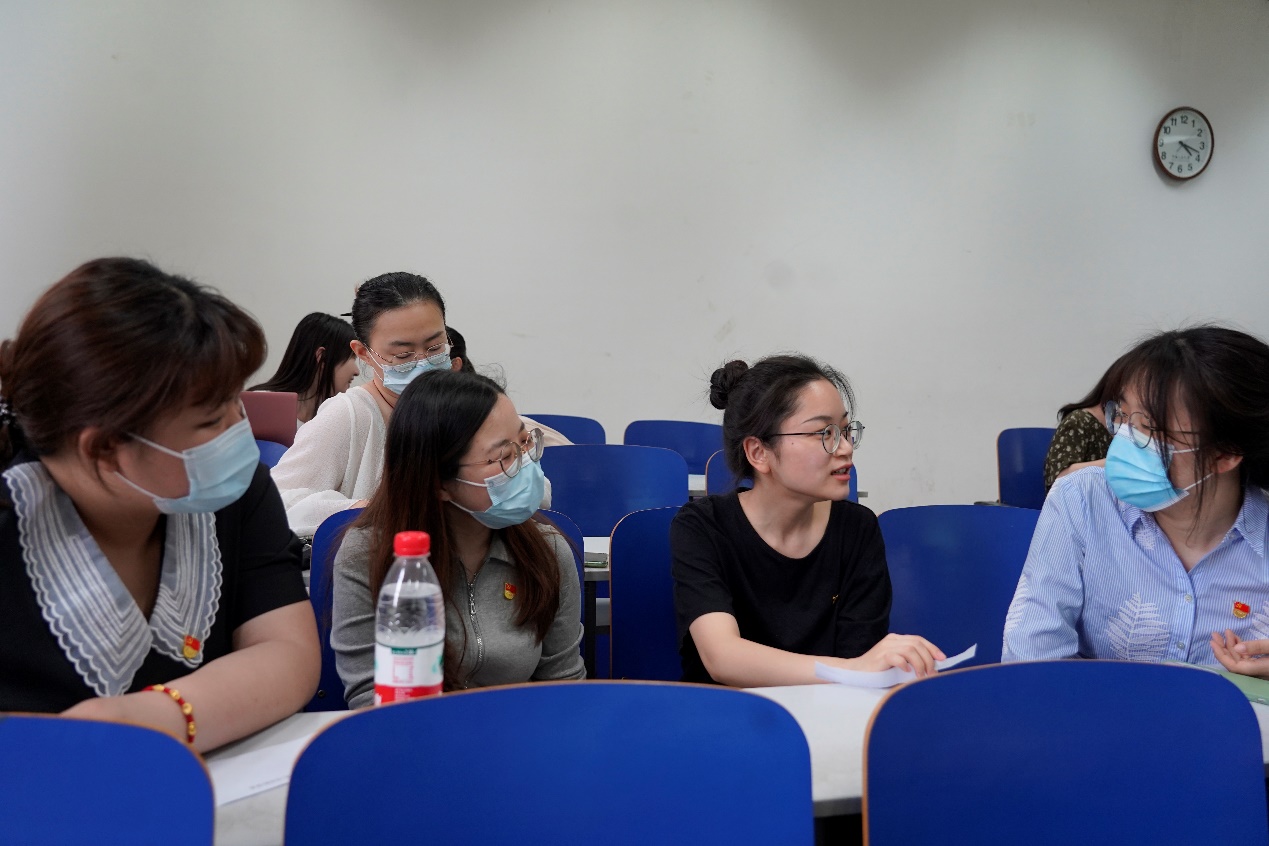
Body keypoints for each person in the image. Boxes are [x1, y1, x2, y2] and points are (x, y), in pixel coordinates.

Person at [0, 258, 320, 751]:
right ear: (105, 448)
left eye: (236, 402)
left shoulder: (235, 493)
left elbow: (287, 652)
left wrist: (154, 718)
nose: (239, 431)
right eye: (211, 421)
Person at [1002, 326, 1269, 679]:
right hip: (1095, 709)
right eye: (1123, 416)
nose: (1126, 439)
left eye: (1150, 427)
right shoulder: (1082, 499)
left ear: (1225, 454)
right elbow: (1031, 658)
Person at [671, 354, 944, 687]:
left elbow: (859, 661)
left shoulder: (857, 528)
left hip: (829, 711)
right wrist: (852, 670)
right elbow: (723, 657)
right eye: (824, 433)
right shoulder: (703, 526)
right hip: (729, 712)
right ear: (758, 453)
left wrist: (858, 669)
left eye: (845, 430)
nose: (845, 448)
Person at [331, 369, 584, 705]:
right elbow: (371, 696)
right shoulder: (368, 555)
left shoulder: (547, 550)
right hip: (414, 730)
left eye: (524, 442)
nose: (525, 464)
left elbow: (564, 687)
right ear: (438, 482)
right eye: (503, 457)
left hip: (518, 729)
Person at [272, 273, 568, 538]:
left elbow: (537, 490)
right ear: (363, 353)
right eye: (403, 355)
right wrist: (373, 509)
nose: (423, 362)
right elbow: (279, 501)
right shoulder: (349, 416)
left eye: (435, 347)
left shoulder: (463, 407)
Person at [1042, 352, 1131, 492]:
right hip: (1081, 501)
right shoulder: (1079, 421)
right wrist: (1115, 463)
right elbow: (1058, 479)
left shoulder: (1137, 427)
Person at [248, 312, 358, 425]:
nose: (357, 371)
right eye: (352, 357)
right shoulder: (259, 405)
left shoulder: (334, 421)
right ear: (322, 357)